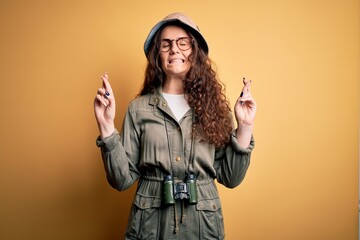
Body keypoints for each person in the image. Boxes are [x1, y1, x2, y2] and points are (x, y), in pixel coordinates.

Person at [94, 12, 256, 240]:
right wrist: (107, 125)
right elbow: (121, 180)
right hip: (150, 227)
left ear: (195, 52)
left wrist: (245, 126)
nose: (175, 50)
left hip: (203, 227)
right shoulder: (138, 109)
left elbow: (231, 178)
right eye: (166, 44)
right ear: (157, 54)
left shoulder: (216, 110)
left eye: (183, 43)